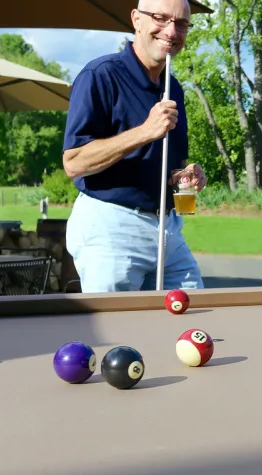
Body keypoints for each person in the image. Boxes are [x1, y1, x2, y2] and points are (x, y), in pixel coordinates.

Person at [61, 0, 208, 293]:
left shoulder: (173, 87)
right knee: (117, 328)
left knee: (193, 313)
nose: (171, 30)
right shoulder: (101, 75)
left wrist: (184, 181)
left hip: (168, 227)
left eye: (181, 23)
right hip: (112, 227)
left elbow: (167, 166)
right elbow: (74, 162)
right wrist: (144, 132)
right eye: (160, 18)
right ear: (136, 19)